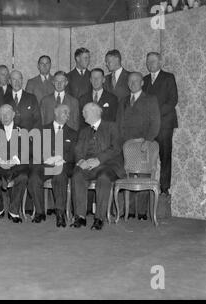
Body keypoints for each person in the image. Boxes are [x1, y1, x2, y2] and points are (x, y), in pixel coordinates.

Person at [71, 103, 125, 231]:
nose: (82, 115)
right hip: (88, 166)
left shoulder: (111, 127)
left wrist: (99, 160)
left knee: (104, 178)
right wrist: (81, 161)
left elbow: (116, 148)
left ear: (94, 113)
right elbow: (78, 149)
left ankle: (99, 218)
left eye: (85, 112)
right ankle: (80, 217)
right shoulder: (84, 131)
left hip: (108, 165)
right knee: (77, 175)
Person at [116, 72, 161, 220]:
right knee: (124, 175)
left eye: (136, 81)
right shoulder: (123, 101)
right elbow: (118, 124)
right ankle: (125, 211)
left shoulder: (150, 99)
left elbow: (156, 122)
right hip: (125, 145)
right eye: (130, 81)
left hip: (143, 144)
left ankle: (141, 212)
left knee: (143, 175)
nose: (132, 83)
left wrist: (148, 140)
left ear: (142, 83)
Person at [28, 104, 77, 227]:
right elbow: (34, 149)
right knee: (34, 176)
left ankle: (60, 213)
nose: (67, 115)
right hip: (45, 164)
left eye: (68, 113)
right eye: (64, 112)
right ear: (56, 113)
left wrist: (60, 159)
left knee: (59, 174)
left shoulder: (73, 133)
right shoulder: (42, 130)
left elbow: (74, 154)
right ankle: (39, 212)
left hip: (62, 166)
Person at [142, 52, 178, 197]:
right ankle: (145, 192)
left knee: (165, 156)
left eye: (154, 61)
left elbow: (173, 100)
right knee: (146, 159)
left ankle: (164, 189)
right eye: (148, 61)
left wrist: (155, 114)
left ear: (160, 62)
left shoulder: (169, 77)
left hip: (164, 124)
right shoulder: (143, 80)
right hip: (149, 127)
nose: (150, 64)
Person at [0, 104, 29, 223]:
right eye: (1, 114)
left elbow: (27, 150)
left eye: (7, 113)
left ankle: (14, 212)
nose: (4, 116)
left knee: (23, 177)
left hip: (16, 167)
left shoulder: (22, 130)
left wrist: (13, 161)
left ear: (14, 114)